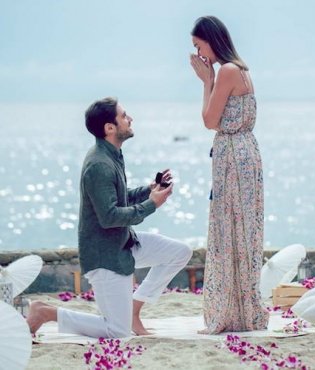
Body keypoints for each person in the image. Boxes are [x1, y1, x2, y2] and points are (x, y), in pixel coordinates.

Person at [27, 97, 192, 338]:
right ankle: (45, 312)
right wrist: (151, 204)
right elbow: (110, 217)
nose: (130, 118)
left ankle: (134, 310)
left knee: (180, 252)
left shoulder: (111, 155)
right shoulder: (99, 165)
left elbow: (120, 199)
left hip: (124, 243)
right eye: (124, 116)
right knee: (117, 331)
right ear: (110, 128)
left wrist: (150, 189)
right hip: (106, 256)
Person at [190, 16, 269, 334]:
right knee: (243, 230)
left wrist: (205, 81)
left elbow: (210, 119)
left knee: (229, 231)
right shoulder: (242, 69)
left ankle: (229, 313)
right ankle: (242, 309)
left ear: (211, 40)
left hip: (234, 158)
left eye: (198, 45)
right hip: (245, 152)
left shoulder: (226, 71)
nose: (198, 53)